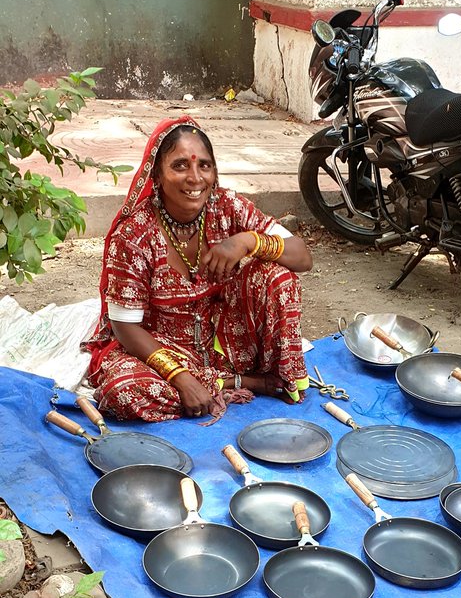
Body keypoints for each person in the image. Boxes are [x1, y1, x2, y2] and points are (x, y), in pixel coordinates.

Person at [83, 115, 312, 422]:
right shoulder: (134, 235)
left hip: (227, 341)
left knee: (277, 277)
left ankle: (231, 379)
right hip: (160, 347)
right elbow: (125, 327)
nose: (195, 178)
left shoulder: (227, 207)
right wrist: (178, 375)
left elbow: (302, 257)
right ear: (158, 176)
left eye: (204, 165)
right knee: (123, 389)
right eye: (180, 166)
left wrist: (247, 241)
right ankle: (236, 383)